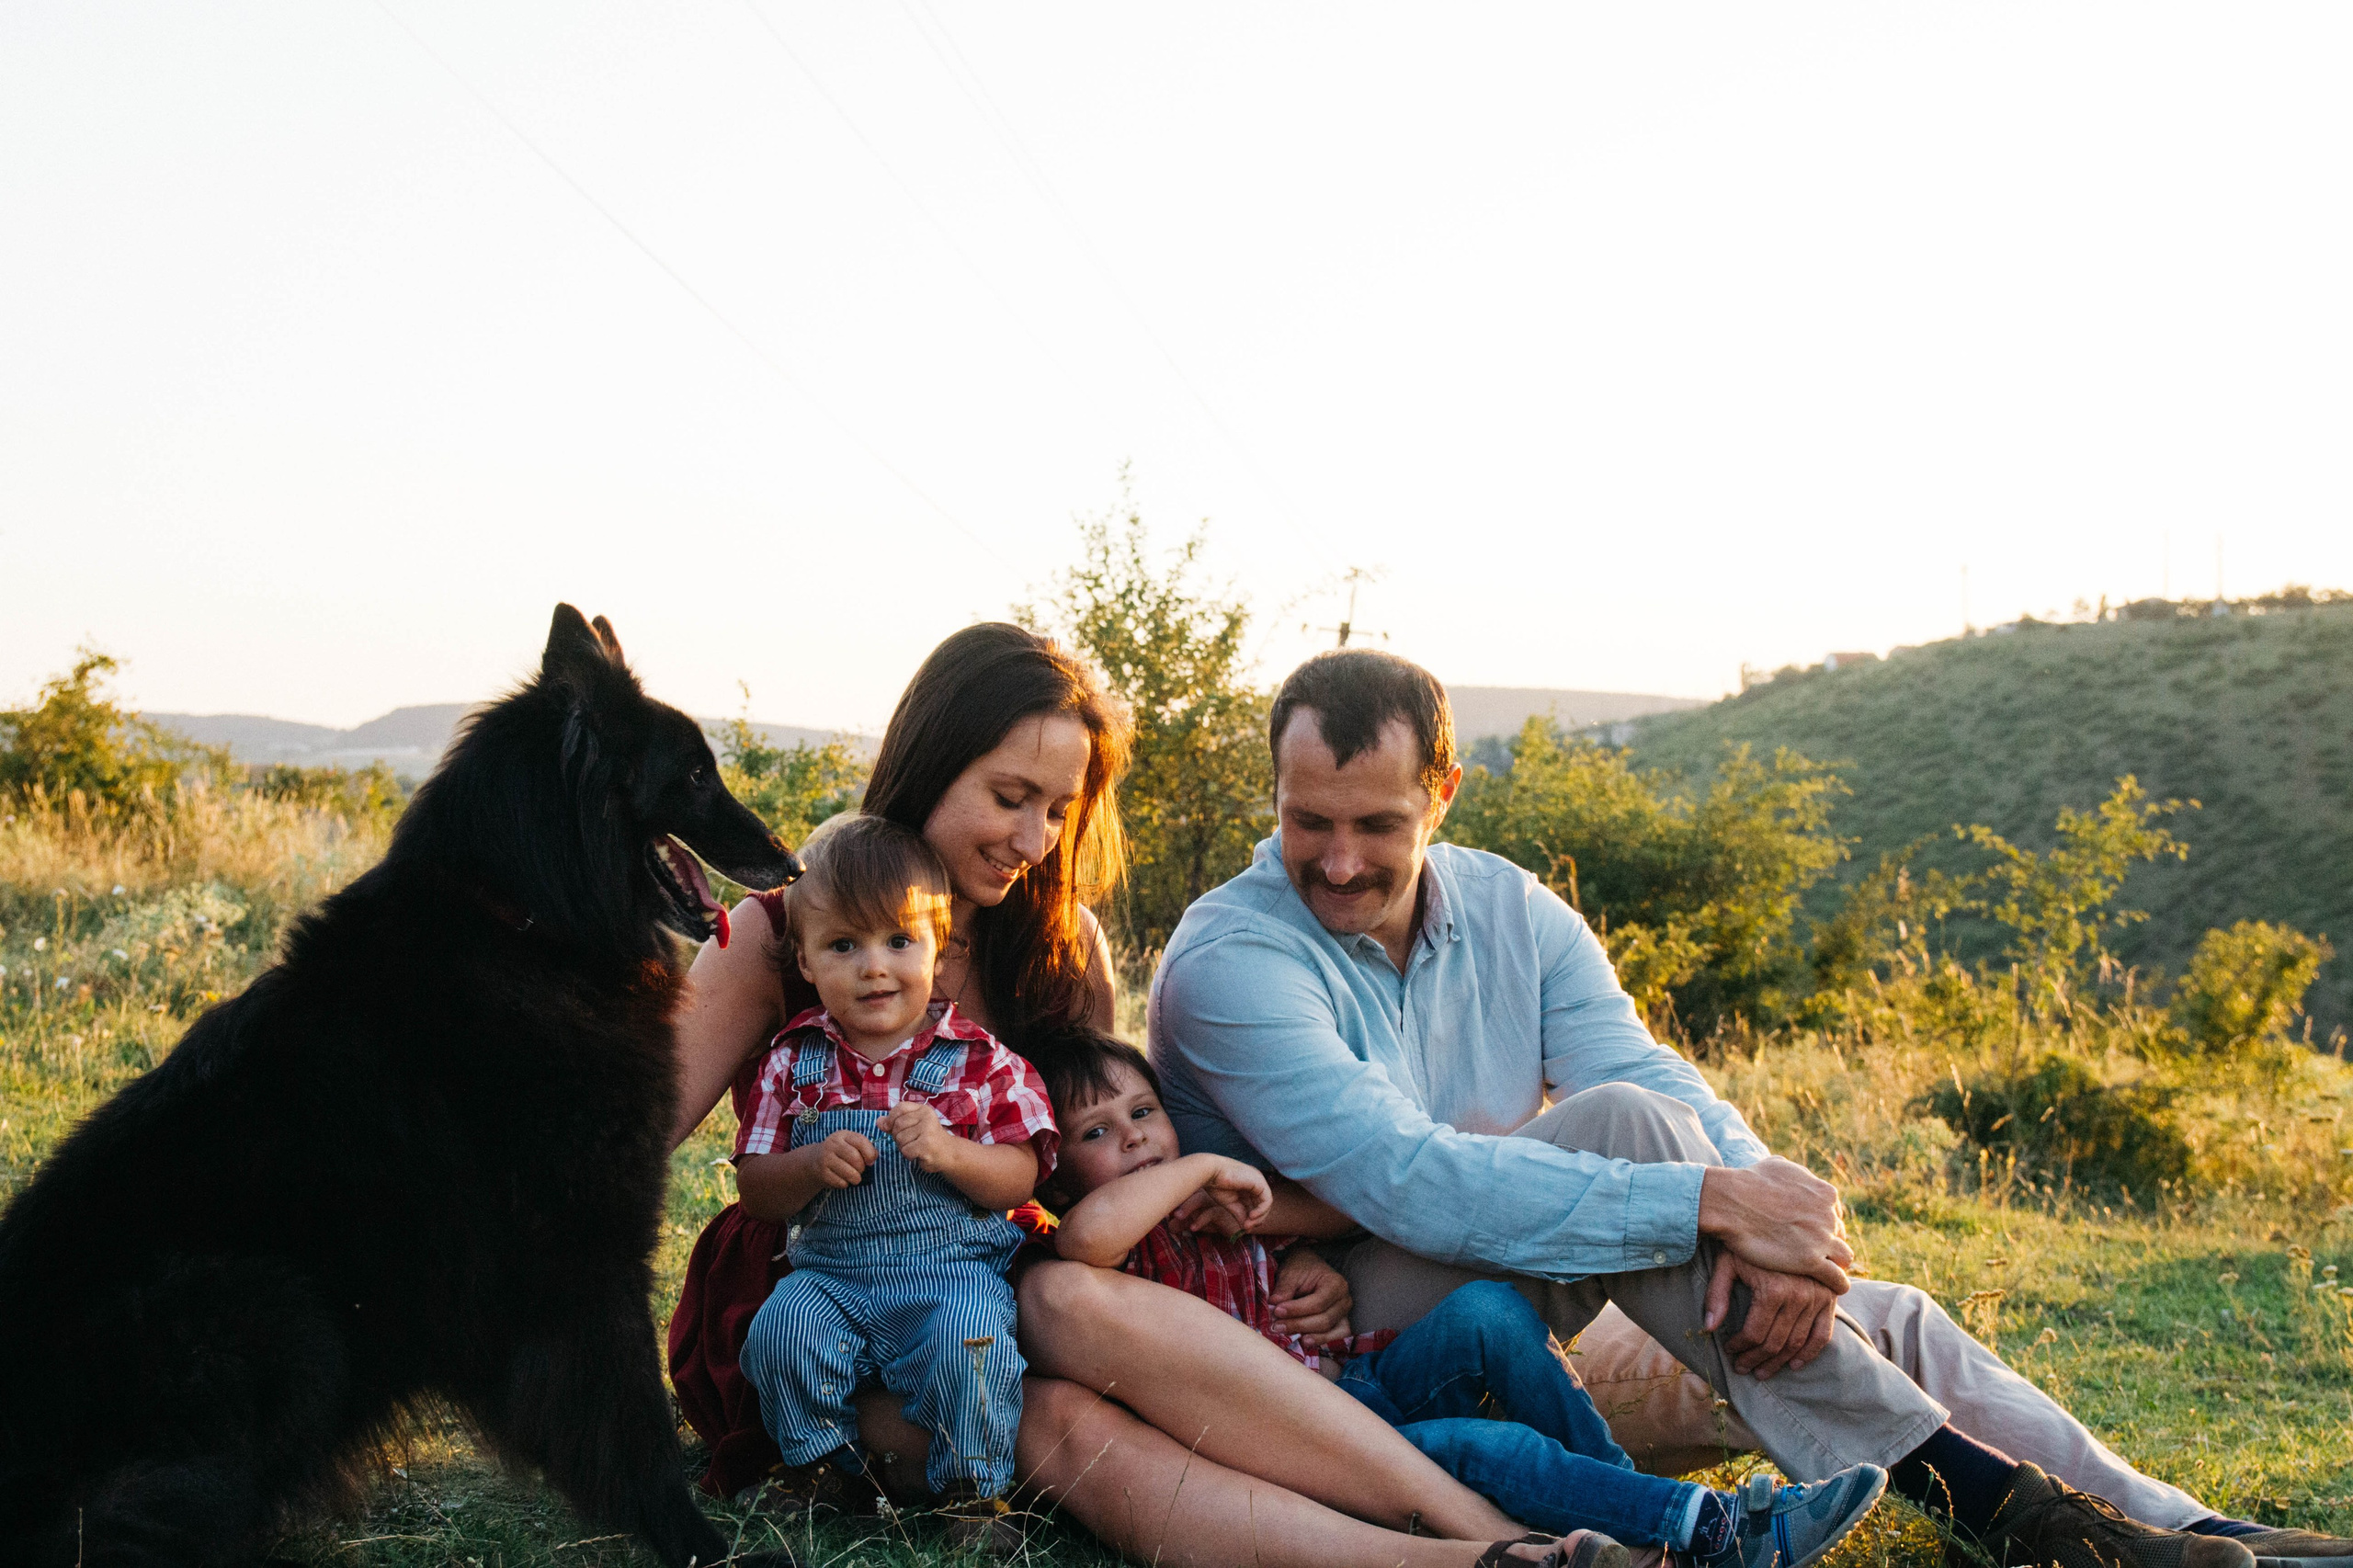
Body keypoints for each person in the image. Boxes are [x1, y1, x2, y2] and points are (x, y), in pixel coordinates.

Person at [1148, 648, 2275, 1568]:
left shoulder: (1511, 908)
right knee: (1626, 1132)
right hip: (1334, 1346)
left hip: (1523, 1314)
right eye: (1310, 823)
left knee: (1881, 1315)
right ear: (1278, 799)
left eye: (1377, 826)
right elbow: (1406, 1177)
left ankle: (2174, 1527)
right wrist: (1715, 1198)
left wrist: (1772, 1228)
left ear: (1441, 794)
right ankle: (1997, 1506)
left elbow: (1654, 1071)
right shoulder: (1234, 954)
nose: (1338, 862)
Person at [669, 623, 1600, 1568]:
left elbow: (1119, 1170)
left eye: (1056, 808)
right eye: (1007, 796)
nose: (1033, 839)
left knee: (1082, 1321)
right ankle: (1471, 1552)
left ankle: (1481, 1523)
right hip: (824, 1312)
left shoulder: (1058, 941)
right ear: (930, 762)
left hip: (1007, 1292)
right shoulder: (781, 930)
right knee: (1055, 1414)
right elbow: (623, 1135)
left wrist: (1293, 1251)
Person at [1036, 1026, 1891, 1568]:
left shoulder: (1213, 1215)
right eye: (1097, 1133)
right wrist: (1191, 1165)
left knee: (1489, 1310)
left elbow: (1316, 1246)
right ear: (1058, 1170)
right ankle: (1719, 1531)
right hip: (1300, 1454)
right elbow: (1086, 1239)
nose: (1137, 1137)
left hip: (1360, 1388)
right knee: (1489, 1450)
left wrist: (1316, 1268)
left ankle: (1629, 1501)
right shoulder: (1099, 1263)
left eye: (1145, 1111)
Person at [733, 813, 1051, 1545]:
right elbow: (755, 1187)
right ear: (806, 964)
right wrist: (808, 1166)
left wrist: (952, 1153)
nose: (874, 966)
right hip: (831, 1276)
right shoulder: (794, 1061)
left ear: (940, 952)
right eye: (844, 945)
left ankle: (972, 1493)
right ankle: (821, 1471)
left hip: (949, 1275)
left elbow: (1022, 1174)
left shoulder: (980, 1063)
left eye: (899, 941)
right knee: (783, 1331)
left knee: (971, 1345)